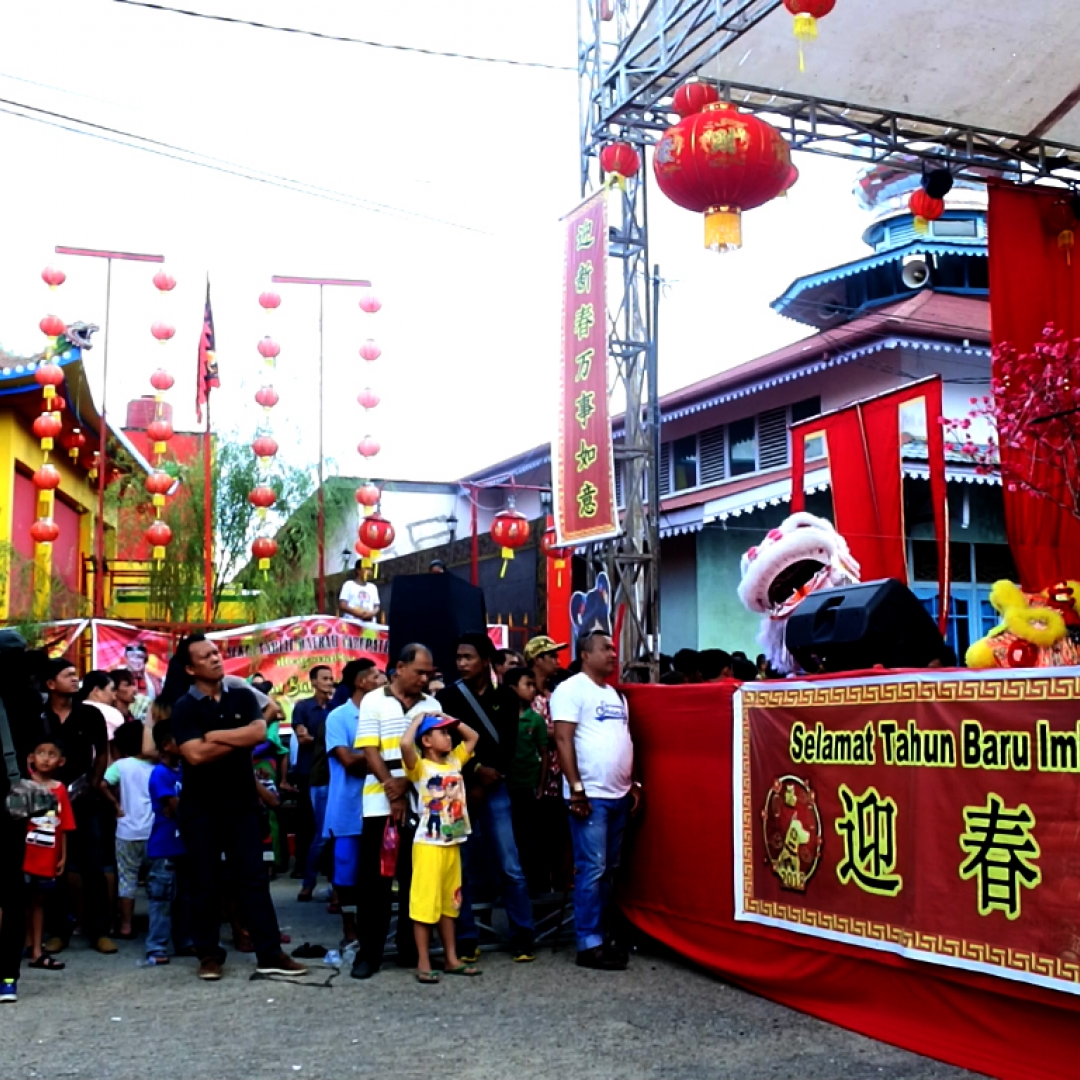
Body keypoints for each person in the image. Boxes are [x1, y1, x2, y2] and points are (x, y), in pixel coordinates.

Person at [169, 634, 305, 981]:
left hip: (242, 803)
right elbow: (194, 755)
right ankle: (209, 955)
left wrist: (215, 736)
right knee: (205, 883)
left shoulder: (243, 694)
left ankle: (270, 952)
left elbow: (259, 732)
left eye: (216, 653)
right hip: (200, 808)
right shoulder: (185, 706)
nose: (215, 659)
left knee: (254, 879)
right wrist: (236, 737)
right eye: (205, 656)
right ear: (190, 667)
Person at [438, 633, 536, 963]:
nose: (462, 663)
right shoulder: (448, 698)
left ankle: (522, 934)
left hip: (496, 788)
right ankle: (467, 938)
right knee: (459, 868)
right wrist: (476, 769)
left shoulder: (507, 699)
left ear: (485, 660)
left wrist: (490, 775)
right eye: (459, 657)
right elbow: (447, 741)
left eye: (468, 657)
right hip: (458, 789)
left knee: (510, 866)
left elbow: (509, 745)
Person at [552, 631, 641, 971]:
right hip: (589, 796)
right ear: (585, 655)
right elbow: (563, 739)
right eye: (605, 648)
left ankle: (602, 937)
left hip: (617, 794)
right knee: (593, 869)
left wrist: (632, 783)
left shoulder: (616, 696)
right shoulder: (571, 689)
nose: (612, 654)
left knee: (608, 870)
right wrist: (575, 787)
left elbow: (620, 740)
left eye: (614, 648)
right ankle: (588, 943)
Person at [353, 644, 439, 980]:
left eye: (428, 674)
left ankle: (409, 949)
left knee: (414, 879)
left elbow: (433, 752)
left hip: (422, 802)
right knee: (375, 882)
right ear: (399, 667)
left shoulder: (432, 705)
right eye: (419, 672)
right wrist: (393, 786)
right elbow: (369, 750)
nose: (423, 679)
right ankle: (369, 953)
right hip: (378, 804)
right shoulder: (375, 700)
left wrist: (408, 784)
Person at [39, 659, 115, 956]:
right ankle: (59, 930)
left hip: (85, 800)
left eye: (75, 674)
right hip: (46, 801)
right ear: (50, 684)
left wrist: (94, 784)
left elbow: (102, 753)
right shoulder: (39, 716)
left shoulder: (90, 714)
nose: (75, 679)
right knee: (53, 865)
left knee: (93, 864)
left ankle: (99, 931)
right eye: (67, 675)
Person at [401, 712, 481, 983]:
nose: (449, 736)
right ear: (426, 740)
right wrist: (417, 721)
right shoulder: (420, 767)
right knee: (425, 905)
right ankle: (423, 961)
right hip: (428, 844)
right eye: (442, 733)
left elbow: (473, 736)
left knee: (451, 904)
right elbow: (404, 745)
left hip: (453, 842)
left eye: (448, 733)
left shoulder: (454, 761)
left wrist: (450, 718)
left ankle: (451, 957)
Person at [323, 658, 381, 948]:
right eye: (375, 675)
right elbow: (347, 761)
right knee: (345, 873)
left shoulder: (383, 713)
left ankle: (374, 927)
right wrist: (381, 760)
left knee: (378, 872)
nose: (381, 679)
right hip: (348, 807)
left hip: (379, 805)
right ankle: (349, 929)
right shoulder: (338, 717)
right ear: (361, 682)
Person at [23, 737, 75, 972]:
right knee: (17, 900)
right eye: (40, 752)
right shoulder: (22, 785)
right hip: (24, 852)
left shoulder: (60, 789)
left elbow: (64, 825)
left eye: (51, 753)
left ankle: (36, 950)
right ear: (31, 758)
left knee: (38, 901)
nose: (45, 758)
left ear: (61, 761)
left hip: (47, 855)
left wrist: (62, 856)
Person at [99, 721, 154, 941]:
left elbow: (103, 784)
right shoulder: (156, 767)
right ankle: (157, 923)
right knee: (155, 880)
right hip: (152, 830)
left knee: (127, 878)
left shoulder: (120, 766)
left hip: (126, 831)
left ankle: (125, 925)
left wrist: (116, 805)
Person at [145, 720, 191, 965]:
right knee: (161, 899)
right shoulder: (160, 774)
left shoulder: (183, 770)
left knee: (184, 898)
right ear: (165, 745)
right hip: (164, 846)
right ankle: (156, 946)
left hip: (183, 845)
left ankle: (184, 941)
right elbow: (176, 807)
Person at [503, 667, 548, 894]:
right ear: (512, 689)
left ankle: (532, 887)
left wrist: (540, 785)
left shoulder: (536, 720)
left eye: (533, 685)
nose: (532, 690)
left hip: (528, 786)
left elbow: (544, 754)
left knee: (528, 837)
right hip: (505, 786)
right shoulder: (500, 716)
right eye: (527, 685)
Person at [292, 665, 334, 899]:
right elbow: (303, 738)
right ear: (313, 682)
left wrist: (316, 737)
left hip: (334, 774)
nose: (329, 682)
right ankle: (308, 882)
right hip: (311, 774)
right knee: (317, 831)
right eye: (325, 678)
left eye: (331, 678)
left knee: (329, 832)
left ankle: (332, 884)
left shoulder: (336, 708)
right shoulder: (303, 707)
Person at [123, 642, 159, 719]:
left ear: (145, 659)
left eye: (139, 657)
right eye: (132, 656)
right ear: (126, 658)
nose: (136, 661)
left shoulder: (154, 680)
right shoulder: (118, 678)